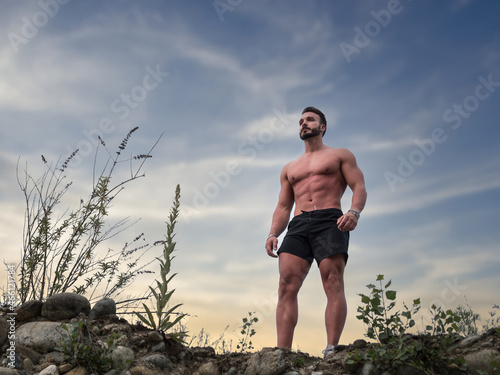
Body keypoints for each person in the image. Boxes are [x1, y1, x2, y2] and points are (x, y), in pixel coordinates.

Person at [265, 106, 367, 357]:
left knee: (332, 279)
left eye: (310, 120)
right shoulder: (290, 168)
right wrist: (272, 233)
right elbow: (284, 206)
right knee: (286, 284)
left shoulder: (340, 155)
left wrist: (354, 212)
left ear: (322, 127)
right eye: (300, 121)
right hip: (298, 225)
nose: (303, 123)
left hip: (330, 220)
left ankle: (331, 350)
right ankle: (282, 353)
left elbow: (359, 186)